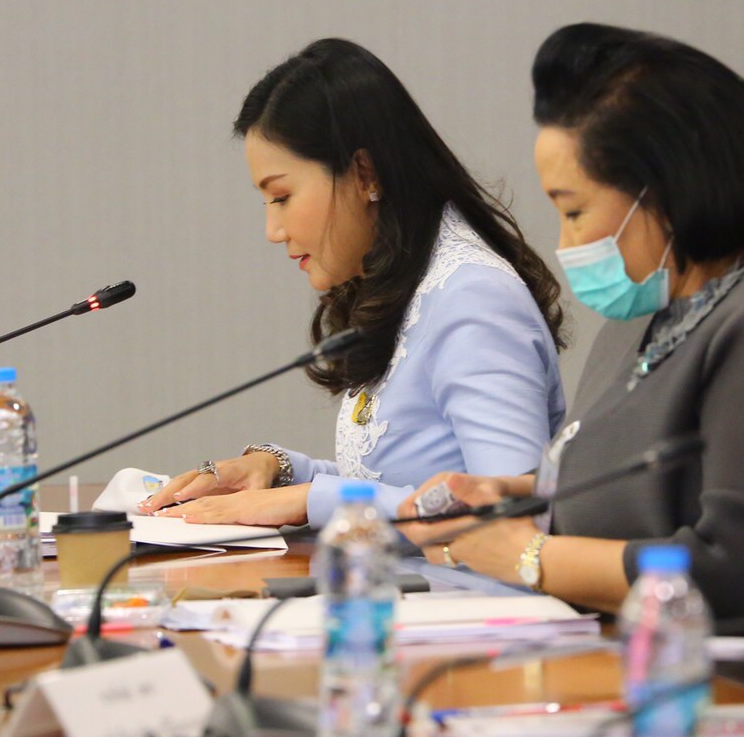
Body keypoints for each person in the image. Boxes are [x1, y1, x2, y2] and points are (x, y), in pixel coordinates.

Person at [398, 23, 744, 622]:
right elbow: (644, 492)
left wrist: (527, 557)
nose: (566, 242)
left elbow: (738, 572)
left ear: (667, 190)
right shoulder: (657, 308)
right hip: (648, 648)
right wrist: (505, 498)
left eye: (575, 210)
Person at [139, 38, 568, 528]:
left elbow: (509, 512)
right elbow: (408, 483)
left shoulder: (474, 298)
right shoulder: (412, 280)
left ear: (365, 173)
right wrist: (282, 472)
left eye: (281, 197)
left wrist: (312, 500)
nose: (273, 231)